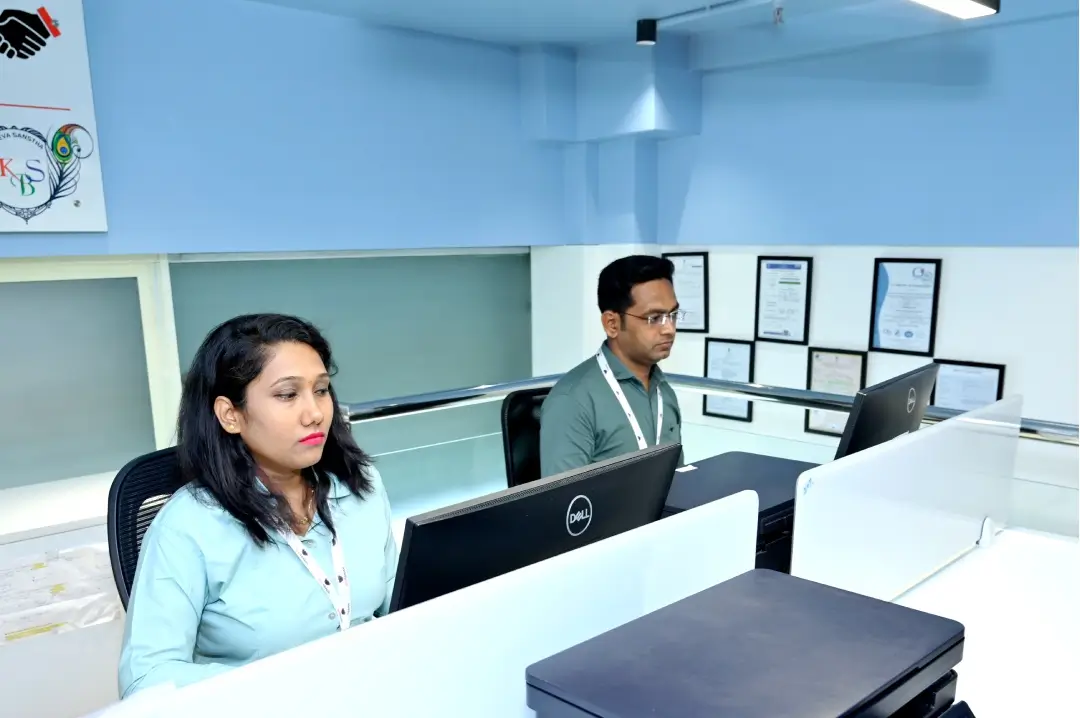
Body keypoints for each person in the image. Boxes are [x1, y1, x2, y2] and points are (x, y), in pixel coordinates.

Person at [118, 314, 397, 698]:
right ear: (230, 415)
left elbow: (403, 606)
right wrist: (281, 687)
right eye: (287, 395)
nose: (315, 413)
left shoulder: (361, 486)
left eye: (321, 390)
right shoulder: (187, 526)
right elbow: (146, 678)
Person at [539, 255, 683, 477]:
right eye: (654, 318)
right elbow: (563, 497)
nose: (669, 329)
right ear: (612, 324)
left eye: (673, 315)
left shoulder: (664, 391)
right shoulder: (573, 401)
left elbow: (678, 476)